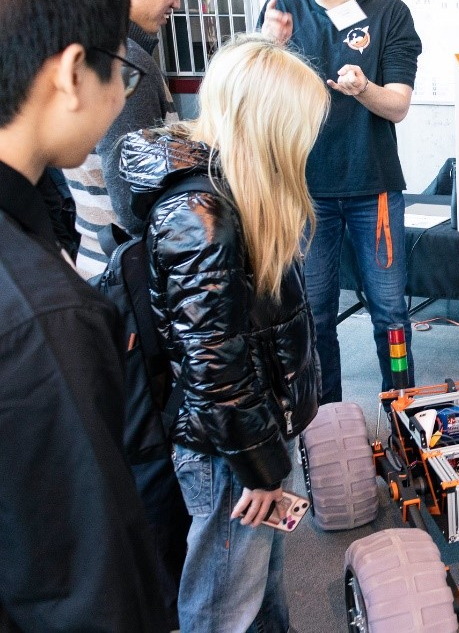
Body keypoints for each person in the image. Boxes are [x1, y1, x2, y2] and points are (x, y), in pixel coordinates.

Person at [119, 34, 326, 632]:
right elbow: (213, 366)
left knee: (257, 591)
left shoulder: (231, 193)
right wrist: (260, 467)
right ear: (268, 124)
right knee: (221, 606)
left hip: (248, 434)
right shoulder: (201, 215)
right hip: (229, 448)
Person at [0, 0, 167, 629]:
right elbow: (86, 591)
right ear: (73, 71)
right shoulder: (45, 316)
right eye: (119, 68)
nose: (123, 93)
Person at [259, 0, 422, 403]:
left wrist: (363, 88)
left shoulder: (388, 13)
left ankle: (404, 416)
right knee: (315, 313)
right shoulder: (282, 11)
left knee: (391, 312)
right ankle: (326, 421)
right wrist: (266, 48)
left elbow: (396, 107)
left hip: (372, 187)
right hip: (304, 193)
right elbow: (253, 101)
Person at [63, 0, 185, 279]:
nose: (176, 1)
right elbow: (136, 203)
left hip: (96, 261)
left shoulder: (82, 48)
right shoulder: (127, 63)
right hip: (130, 275)